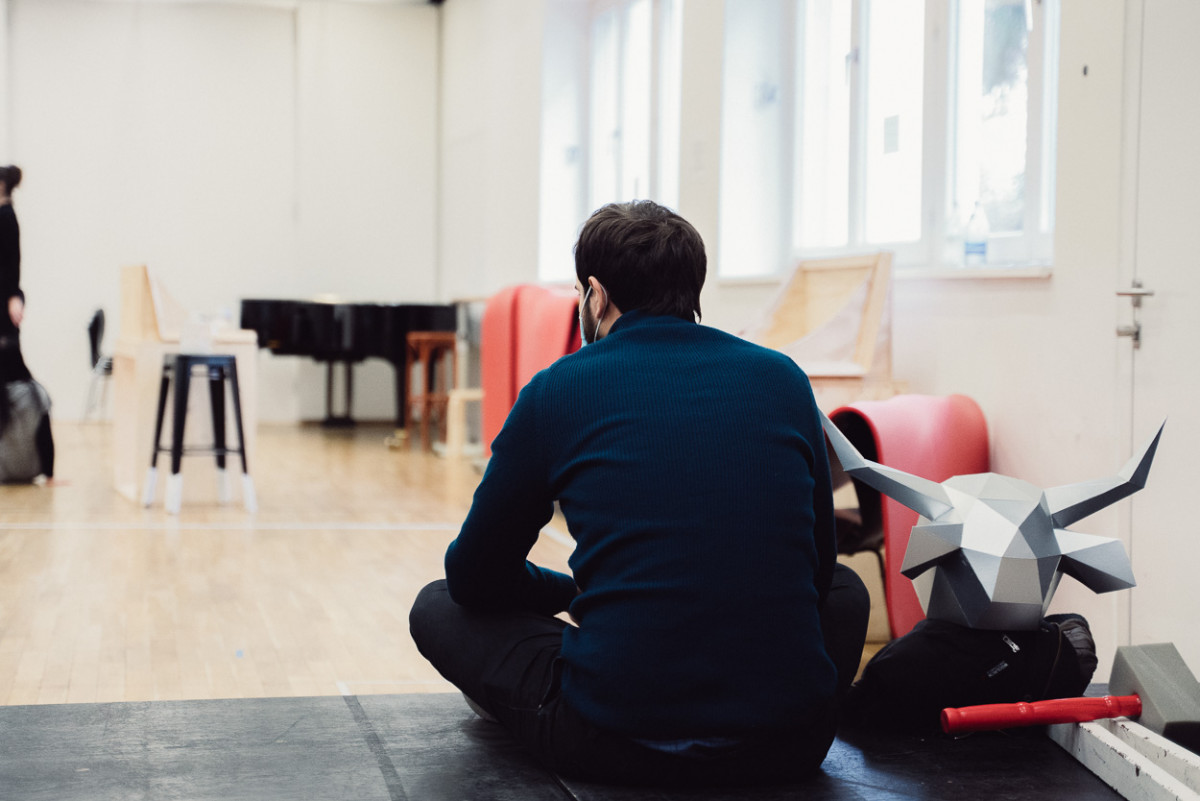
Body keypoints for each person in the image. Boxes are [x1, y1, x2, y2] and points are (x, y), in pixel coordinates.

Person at [409, 200, 869, 787]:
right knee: (847, 590)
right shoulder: (781, 379)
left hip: (616, 742)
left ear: (595, 296)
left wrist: (575, 593)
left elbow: (475, 575)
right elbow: (819, 567)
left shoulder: (558, 390)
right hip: (787, 746)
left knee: (439, 603)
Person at [0, 164, 55, 483]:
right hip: (5, 314)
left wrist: (14, 294)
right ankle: (46, 469)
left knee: (29, 392)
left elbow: (11, 264)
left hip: (4, 322)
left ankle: (47, 469)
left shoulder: (6, 218)